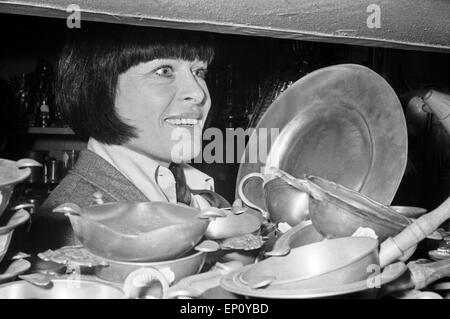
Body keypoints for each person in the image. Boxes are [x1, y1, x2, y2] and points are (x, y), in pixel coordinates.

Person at [28, 25, 231, 252]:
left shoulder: (181, 184)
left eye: (199, 72)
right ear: (99, 88)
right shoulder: (75, 231)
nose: (199, 93)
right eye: (164, 71)